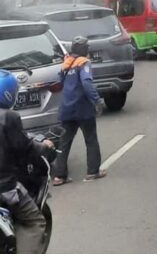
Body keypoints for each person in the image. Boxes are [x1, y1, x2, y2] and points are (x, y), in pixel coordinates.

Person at [0, 69, 54, 254]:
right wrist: (44, 147)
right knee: (35, 222)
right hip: (5, 188)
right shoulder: (8, 117)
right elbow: (25, 148)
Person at [53, 36, 106, 186]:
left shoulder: (66, 64)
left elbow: (60, 83)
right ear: (84, 49)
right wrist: (97, 100)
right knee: (91, 139)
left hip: (67, 108)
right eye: (87, 47)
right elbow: (87, 82)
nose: (88, 49)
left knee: (64, 142)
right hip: (83, 108)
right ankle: (93, 171)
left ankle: (59, 176)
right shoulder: (84, 63)